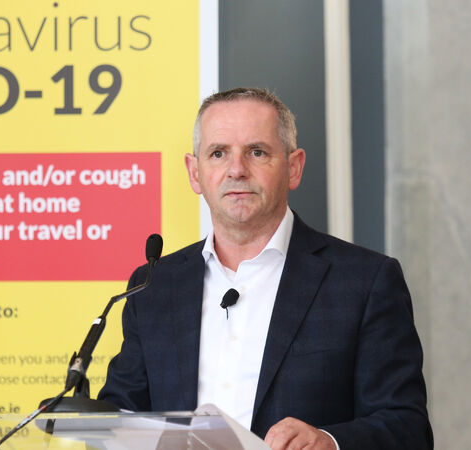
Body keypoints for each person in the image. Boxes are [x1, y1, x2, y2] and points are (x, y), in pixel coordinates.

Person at [98, 88, 433, 449]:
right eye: (218, 153)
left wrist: (330, 441)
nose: (237, 170)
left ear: (294, 167)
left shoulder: (364, 282)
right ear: (195, 173)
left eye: (256, 152)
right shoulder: (154, 286)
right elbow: (118, 419)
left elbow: (408, 428)